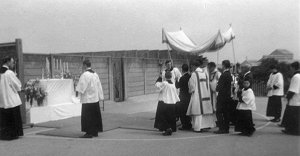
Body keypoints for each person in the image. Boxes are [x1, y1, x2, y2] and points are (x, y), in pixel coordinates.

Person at [76, 59, 104, 138]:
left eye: (83, 65)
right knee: (94, 116)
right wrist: (100, 96)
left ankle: (88, 133)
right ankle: (95, 132)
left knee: (88, 116)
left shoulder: (85, 75)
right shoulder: (95, 74)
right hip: (95, 99)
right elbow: (99, 86)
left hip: (88, 99)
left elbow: (82, 86)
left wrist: (77, 91)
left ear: (85, 65)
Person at [186, 58, 216, 133]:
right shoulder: (204, 72)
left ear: (193, 66)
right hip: (205, 95)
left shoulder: (194, 74)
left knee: (198, 111)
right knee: (204, 111)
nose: (191, 68)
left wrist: (190, 90)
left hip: (197, 95)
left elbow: (192, 86)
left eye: (191, 66)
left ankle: (198, 127)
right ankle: (205, 126)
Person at [0, 57, 24, 140]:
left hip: (2, 100)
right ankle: (14, 134)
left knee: (4, 119)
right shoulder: (9, 73)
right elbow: (17, 85)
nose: (13, 64)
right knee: (13, 117)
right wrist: (19, 88)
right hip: (11, 99)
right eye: (12, 62)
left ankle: (4, 135)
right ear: (8, 62)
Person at [154, 71, 180, 136]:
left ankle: (167, 128)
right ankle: (170, 128)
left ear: (165, 77)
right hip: (172, 103)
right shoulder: (173, 84)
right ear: (171, 77)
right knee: (170, 117)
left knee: (162, 116)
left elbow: (157, 85)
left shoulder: (165, 83)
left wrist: (160, 77)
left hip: (164, 102)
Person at [214, 60, 233, 134]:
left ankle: (221, 128)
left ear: (224, 65)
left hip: (222, 96)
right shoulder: (229, 74)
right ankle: (226, 128)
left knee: (219, 112)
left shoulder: (224, 75)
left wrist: (217, 87)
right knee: (226, 113)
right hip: (227, 95)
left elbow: (219, 87)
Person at [281, 62, 300, 135]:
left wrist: (287, 97)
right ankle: (291, 129)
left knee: (293, 116)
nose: (290, 70)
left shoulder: (296, 77)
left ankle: (292, 130)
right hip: (297, 100)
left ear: (293, 68)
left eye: (290, 68)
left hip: (295, 100)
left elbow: (293, 90)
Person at [175, 64, 192, 130]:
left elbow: (177, 86)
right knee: (188, 111)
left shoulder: (182, 78)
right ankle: (189, 124)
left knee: (182, 112)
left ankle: (185, 125)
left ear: (182, 69)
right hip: (189, 96)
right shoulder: (190, 76)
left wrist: (176, 80)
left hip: (182, 96)